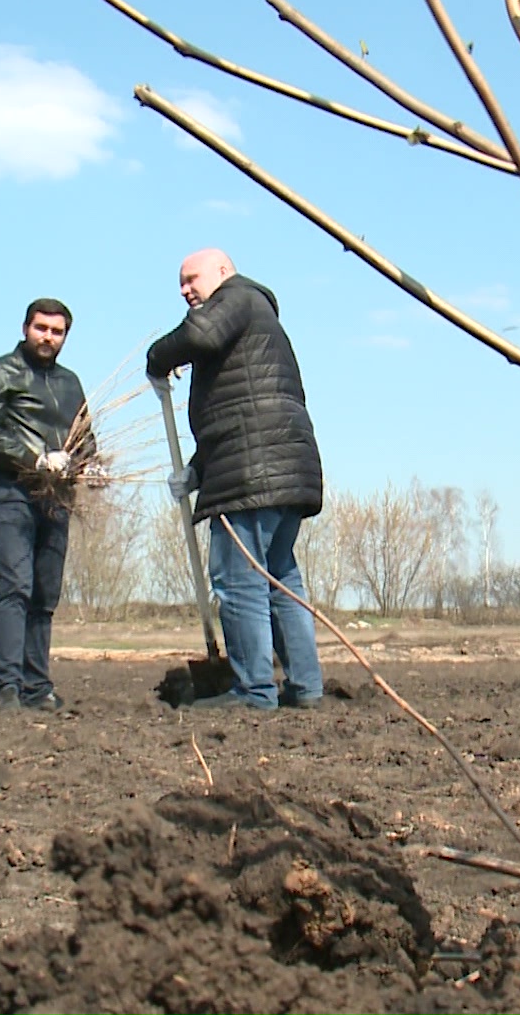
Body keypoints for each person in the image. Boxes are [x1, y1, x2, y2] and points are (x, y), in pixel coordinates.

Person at [148, 248, 324, 711]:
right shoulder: (252, 322)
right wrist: (198, 469)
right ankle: (304, 687)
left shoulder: (237, 297)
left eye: (192, 278)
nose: (187, 290)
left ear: (223, 272)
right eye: (180, 284)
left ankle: (253, 691)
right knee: (280, 579)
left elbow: (200, 336)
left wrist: (157, 358)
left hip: (251, 475)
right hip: (282, 466)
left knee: (238, 580)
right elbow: (242, 407)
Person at [0, 299, 90, 712]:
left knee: (45, 594)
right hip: (11, 493)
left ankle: (38, 687)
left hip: (56, 499)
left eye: (57, 332)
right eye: (41, 328)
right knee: (16, 587)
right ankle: (8, 686)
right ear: (25, 328)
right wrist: (34, 458)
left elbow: (85, 437)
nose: (48, 337)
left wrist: (83, 464)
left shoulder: (71, 383)